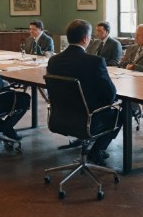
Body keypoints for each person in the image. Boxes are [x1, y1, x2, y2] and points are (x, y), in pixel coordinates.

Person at [47, 19, 122, 166]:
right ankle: (96, 151)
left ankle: (90, 148)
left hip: (60, 117)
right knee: (122, 112)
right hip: (87, 120)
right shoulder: (95, 62)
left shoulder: (54, 61)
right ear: (85, 38)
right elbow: (110, 95)